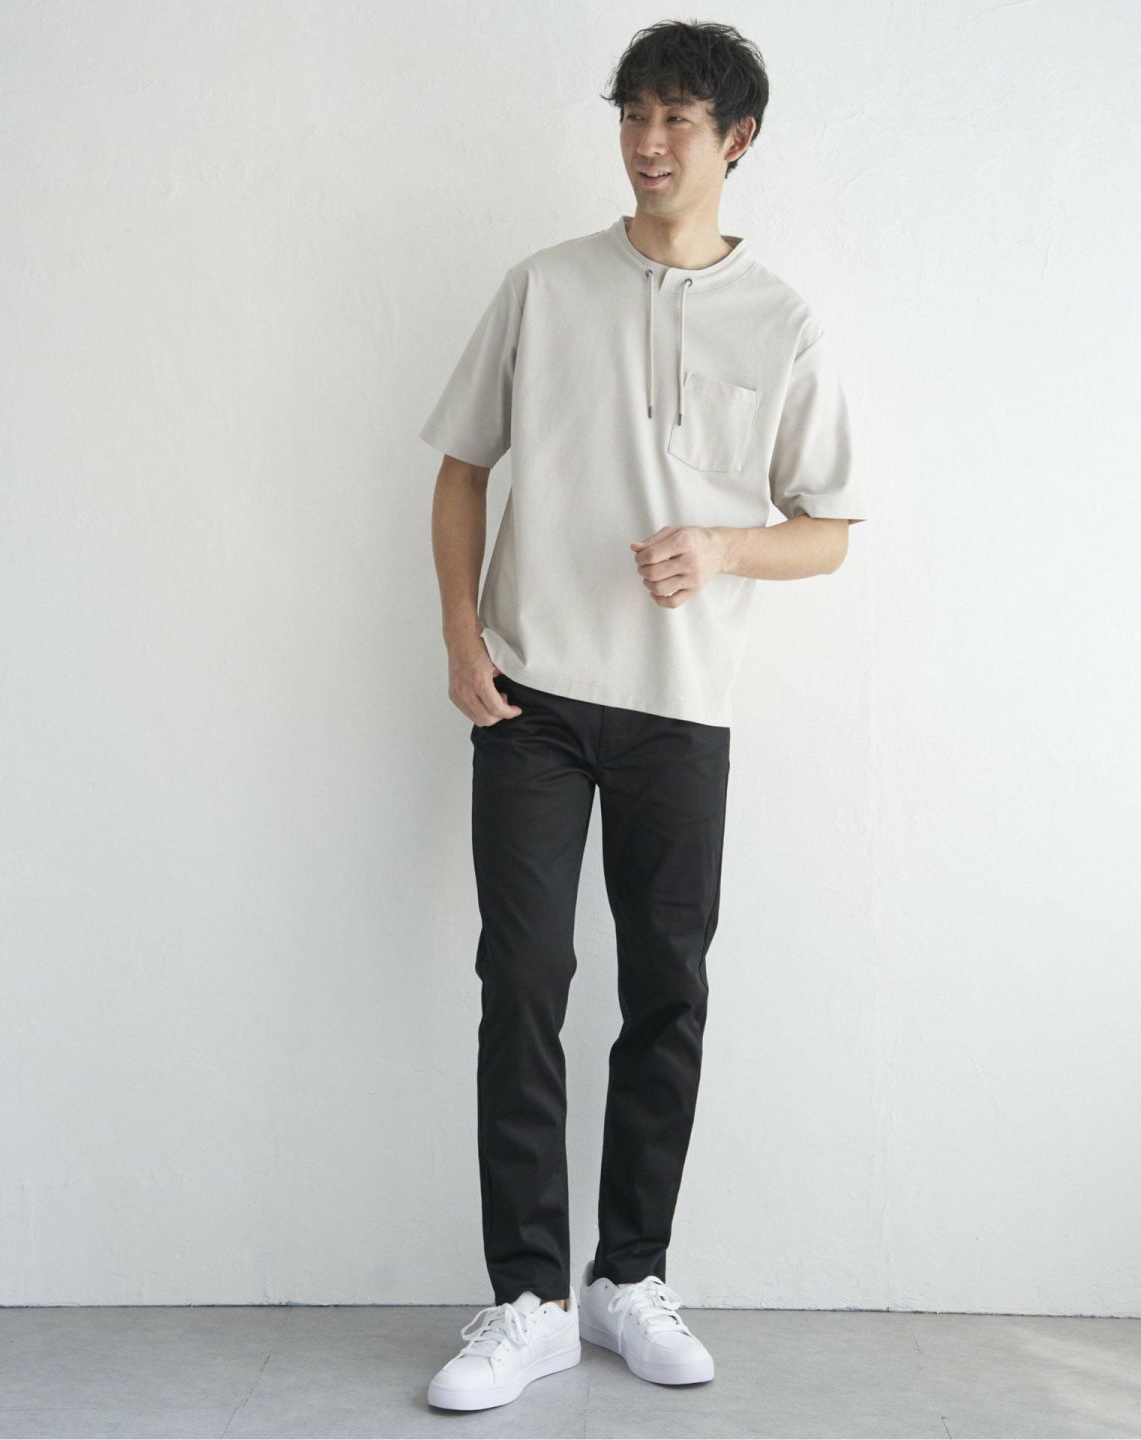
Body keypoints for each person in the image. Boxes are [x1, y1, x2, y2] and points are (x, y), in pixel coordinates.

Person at [419, 19, 867, 1413]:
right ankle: (530, 1299)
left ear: (738, 140)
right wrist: (460, 638)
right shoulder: (544, 287)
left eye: (678, 119)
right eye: (633, 115)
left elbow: (828, 527)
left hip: (682, 708)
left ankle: (630, 1278)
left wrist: (723, 547)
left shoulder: (782, 323)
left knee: (668, 988)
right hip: (531, 698)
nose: (649, 143)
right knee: (524, 981)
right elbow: (461, 468)